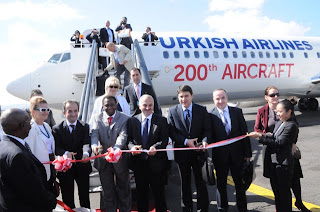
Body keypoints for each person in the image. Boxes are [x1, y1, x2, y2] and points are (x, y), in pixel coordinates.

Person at [254, 86, 310, 212]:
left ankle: (298, 202)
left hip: (285, 151)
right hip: (272, 150)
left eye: (277, 94)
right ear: (266, 97)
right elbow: (258, 128)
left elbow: (292, 130)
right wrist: (263, 135)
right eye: (272, 95)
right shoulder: (263, 111)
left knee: (292, 181)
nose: (275, 97)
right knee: (277, 185)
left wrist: (293, 142)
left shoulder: (287, 114)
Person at [0, 109, 56, 211]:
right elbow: (31, 192)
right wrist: (52, 200)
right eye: (28, 122)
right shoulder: (17, 155)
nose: (31, 125)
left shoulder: (3, 145)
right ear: (22, 126)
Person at [248, 98, 299, 212]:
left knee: (284, 192)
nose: (278, 114)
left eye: (280, 111)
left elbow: (278, 142)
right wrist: (261, 134)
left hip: (283, 164)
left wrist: (260, 138)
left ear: (289, 112)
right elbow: (273, 135)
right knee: (277, 191)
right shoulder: (280, 122)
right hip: (275, 162)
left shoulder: (291, 125)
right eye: (277, 111)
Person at [167, 85, 210, 212]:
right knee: (185, 183)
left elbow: (207, 129)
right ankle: (187, 208)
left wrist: (204, 141)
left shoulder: (202, 110)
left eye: (186, 96)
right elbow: (172, 132)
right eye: (181, 96)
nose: (184, 99)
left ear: (192, 96)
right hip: (182, 153)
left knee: (200, 182)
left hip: (199, 153)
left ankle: (203, 208)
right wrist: (186, 141)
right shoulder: (172, 111)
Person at [210, 89, 252, 212]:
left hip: (237, 155)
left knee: (240, 184)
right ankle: (222, 208)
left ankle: (242, 208)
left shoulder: (237, 112)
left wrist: (248, 154)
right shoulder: (210, 116)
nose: (220, 101)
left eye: (223, 98)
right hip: (220, 156)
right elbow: (209, 135)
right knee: (221, 184)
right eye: (217, 99)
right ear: (214, 100)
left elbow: (244, 133)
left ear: (227, 98)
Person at [127, 94, 168, 212]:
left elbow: (164, 140)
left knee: (159, 195)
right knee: (141, 195)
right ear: (139, 106)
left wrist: (155, 147)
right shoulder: (132, 121)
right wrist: (132, 147)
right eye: (145, 105)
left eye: (150, 105)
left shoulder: (161, 120)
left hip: (157, 165)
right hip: (139, 164)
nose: (148, 108)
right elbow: (128, 140)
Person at [91, 95, 131, 212]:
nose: (109, 107)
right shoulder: (96, 118)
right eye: (106, 105)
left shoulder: (124, 118)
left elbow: (123, 136)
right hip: (104, 160)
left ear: (116, 104)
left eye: (111, 104)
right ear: (102, 106)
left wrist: (116, 149)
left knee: (124, 189)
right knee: (107, 191)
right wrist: (94, 145)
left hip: (119, 159)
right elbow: (94, 134)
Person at [52, 100, 92, 209]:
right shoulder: (57, 129)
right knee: (67, 197)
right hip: (65, 169)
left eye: (75, 111)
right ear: (64, 113)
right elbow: (56, 147)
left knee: (84, 196)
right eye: (70, 111)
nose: (73, 114)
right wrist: (65, 153)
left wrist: (85, 153)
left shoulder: (85, 126)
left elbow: (86, 143)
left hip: (82, 166)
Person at [25, 96, 57, 196]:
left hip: (51, 165)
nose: (46, 112)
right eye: (43, 110)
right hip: (39, 168)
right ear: (33, 112)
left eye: (47, 109)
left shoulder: (46, 126)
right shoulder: (30, 129)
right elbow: (30, 151)